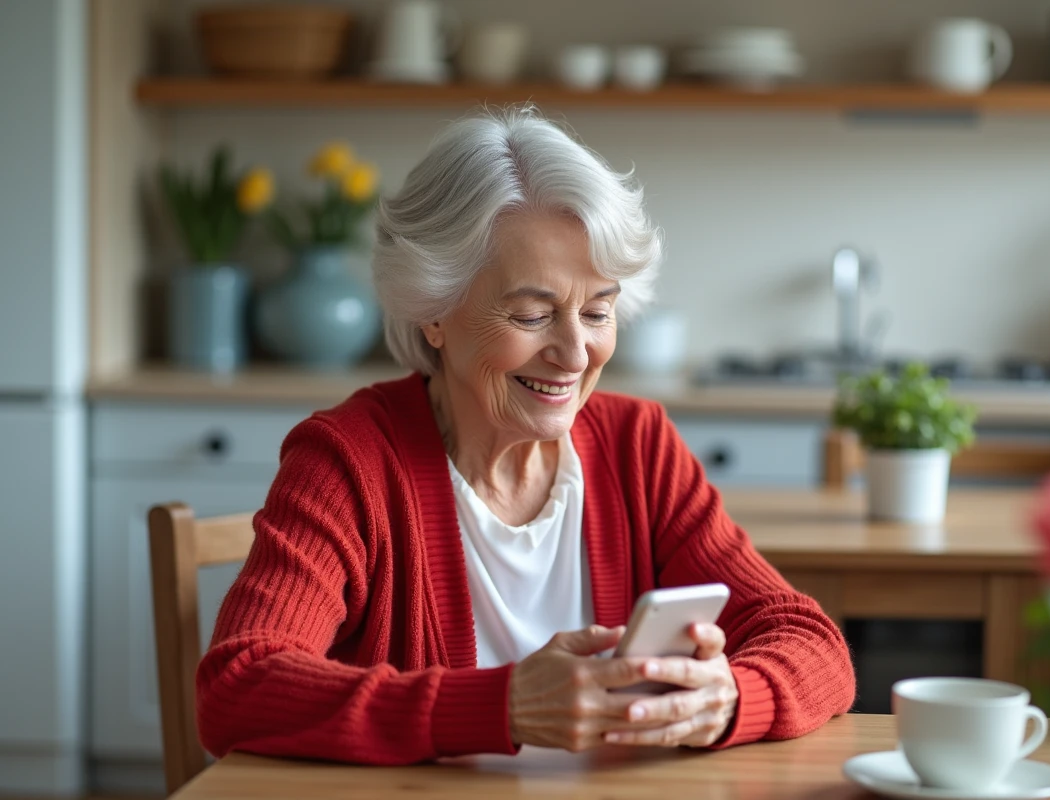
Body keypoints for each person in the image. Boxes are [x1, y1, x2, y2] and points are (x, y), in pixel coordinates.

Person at [196, 107, 854, 765]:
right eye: (533, 314)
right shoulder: (350, 461)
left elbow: (810, 641)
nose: (574, 354)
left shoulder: (638, 446)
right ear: (434, 312)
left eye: (598, 311)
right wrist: (504, 705)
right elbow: (238, 685)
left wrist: (728, 699)